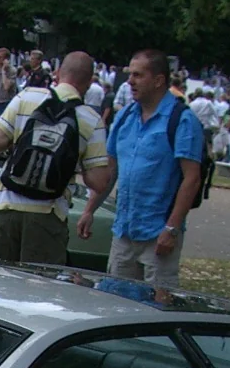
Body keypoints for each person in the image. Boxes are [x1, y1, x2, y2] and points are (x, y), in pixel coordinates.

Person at [80, 48, 203, 290]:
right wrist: (89, 210)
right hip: (124, 232)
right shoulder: (125, 116)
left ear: (158, 80)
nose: (130, 81)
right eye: (130, 74)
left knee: (157, 308)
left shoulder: (183, 120)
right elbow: (110, 170)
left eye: (138, 75)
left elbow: (192, 178)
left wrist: (172, 228)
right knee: (115, 303)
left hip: (158, 235)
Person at [0, 51, 111, 266]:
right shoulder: (91, 119)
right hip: (48, 217)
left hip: (5, 207)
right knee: (37, 294)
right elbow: (99, 181)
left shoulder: (26, 97)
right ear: (88, 83)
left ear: (57, 74)